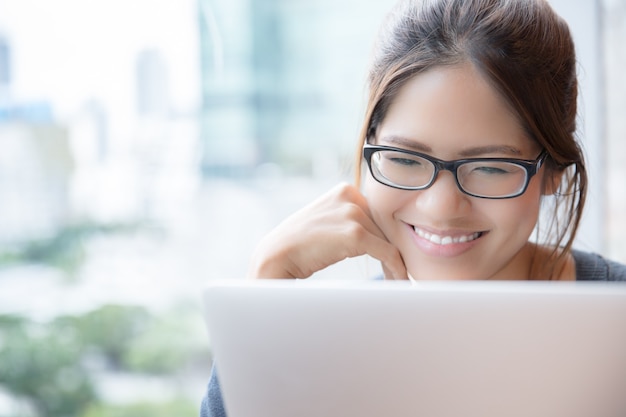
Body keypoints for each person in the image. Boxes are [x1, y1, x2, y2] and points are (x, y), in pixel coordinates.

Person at [200, 0, 626, 415]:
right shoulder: (323, 340)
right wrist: (263, 292)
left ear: (554, 170)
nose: (441, 207)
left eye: (491, 168)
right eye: (404, 159)